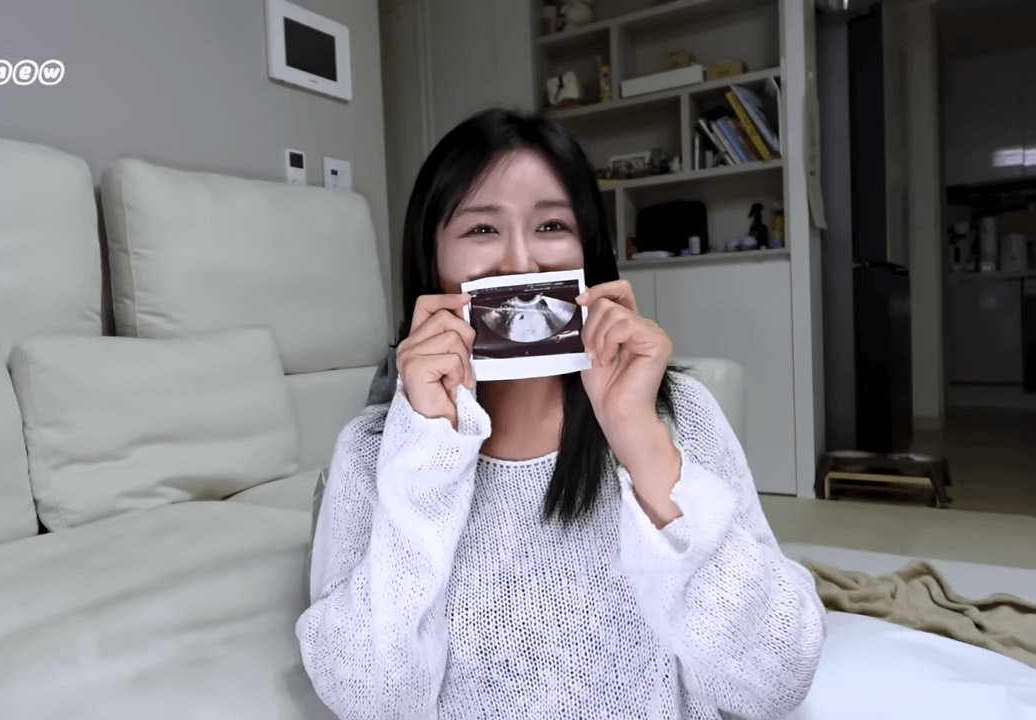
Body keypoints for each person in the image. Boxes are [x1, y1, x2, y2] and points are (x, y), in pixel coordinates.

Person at [295, 108, 825, 719]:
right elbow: (371, 702)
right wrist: (427, 452)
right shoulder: (371, 449)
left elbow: (775, 681)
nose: (521, 263)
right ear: (432, 259)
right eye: (481, 230)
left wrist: (640, 441)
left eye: (551, 225)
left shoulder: (679, 415)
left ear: (587, 250)